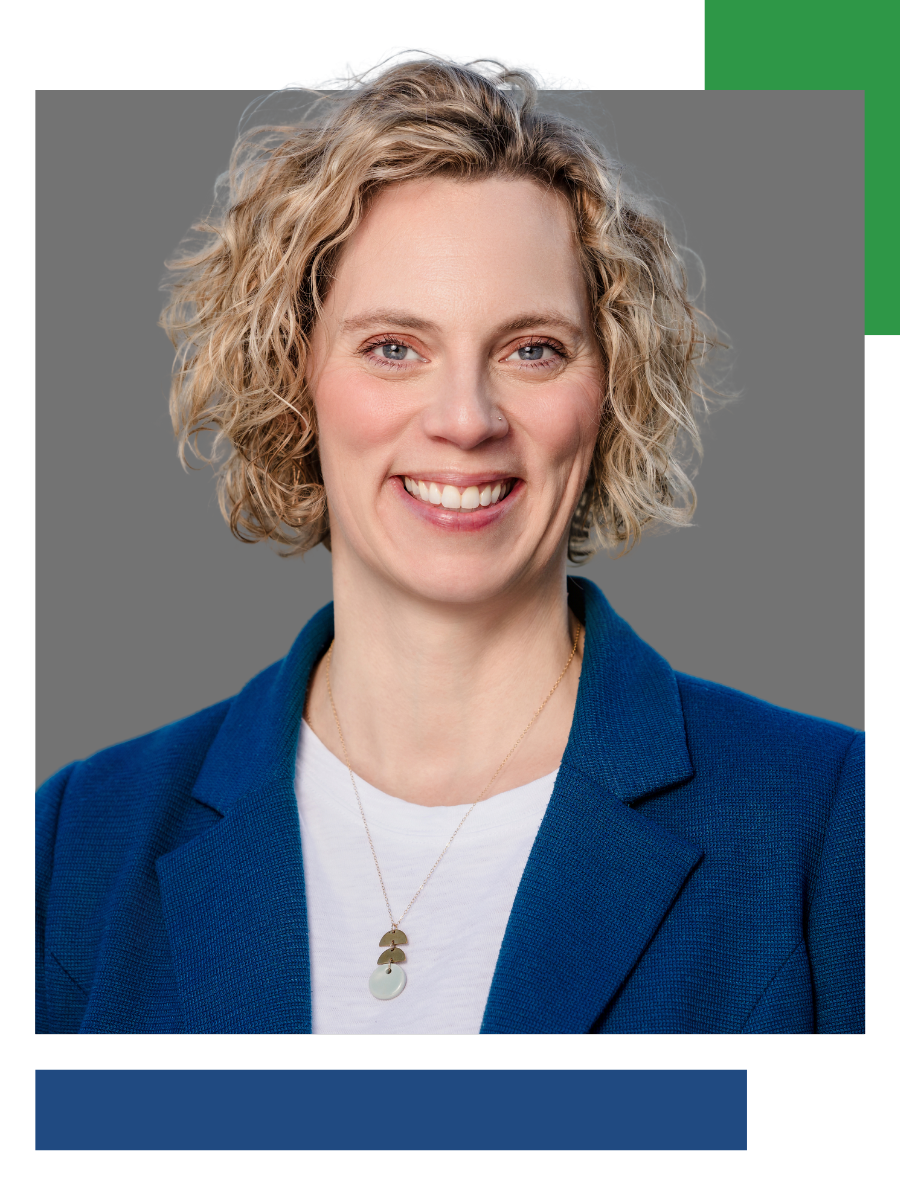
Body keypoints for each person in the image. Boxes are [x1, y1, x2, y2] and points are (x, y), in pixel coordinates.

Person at [36, 59, 863, 1034]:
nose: (466, 420)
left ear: (610, 391)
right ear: (293, 374)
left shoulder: (833, 826)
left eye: (532, 350)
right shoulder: (74, 842)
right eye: (395, 347)